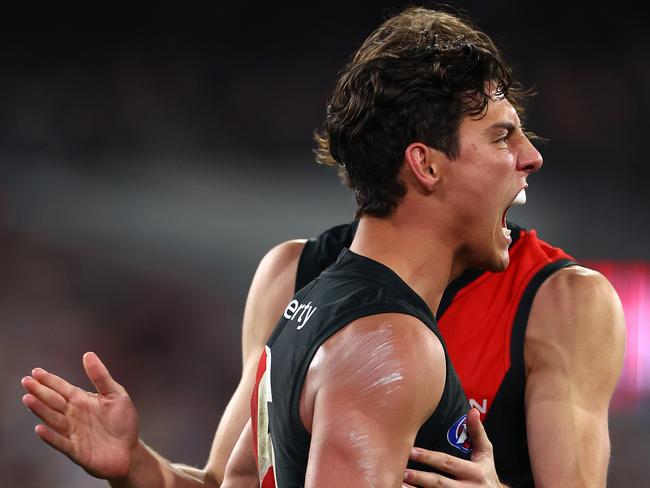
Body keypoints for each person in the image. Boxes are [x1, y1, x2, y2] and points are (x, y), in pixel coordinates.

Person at [20, 6, 625, 488]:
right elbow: (235, 481)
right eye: (501, 136)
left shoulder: (561, 303)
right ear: (426, 166)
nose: (531, 157)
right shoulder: (302, 282)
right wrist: (137, 470)